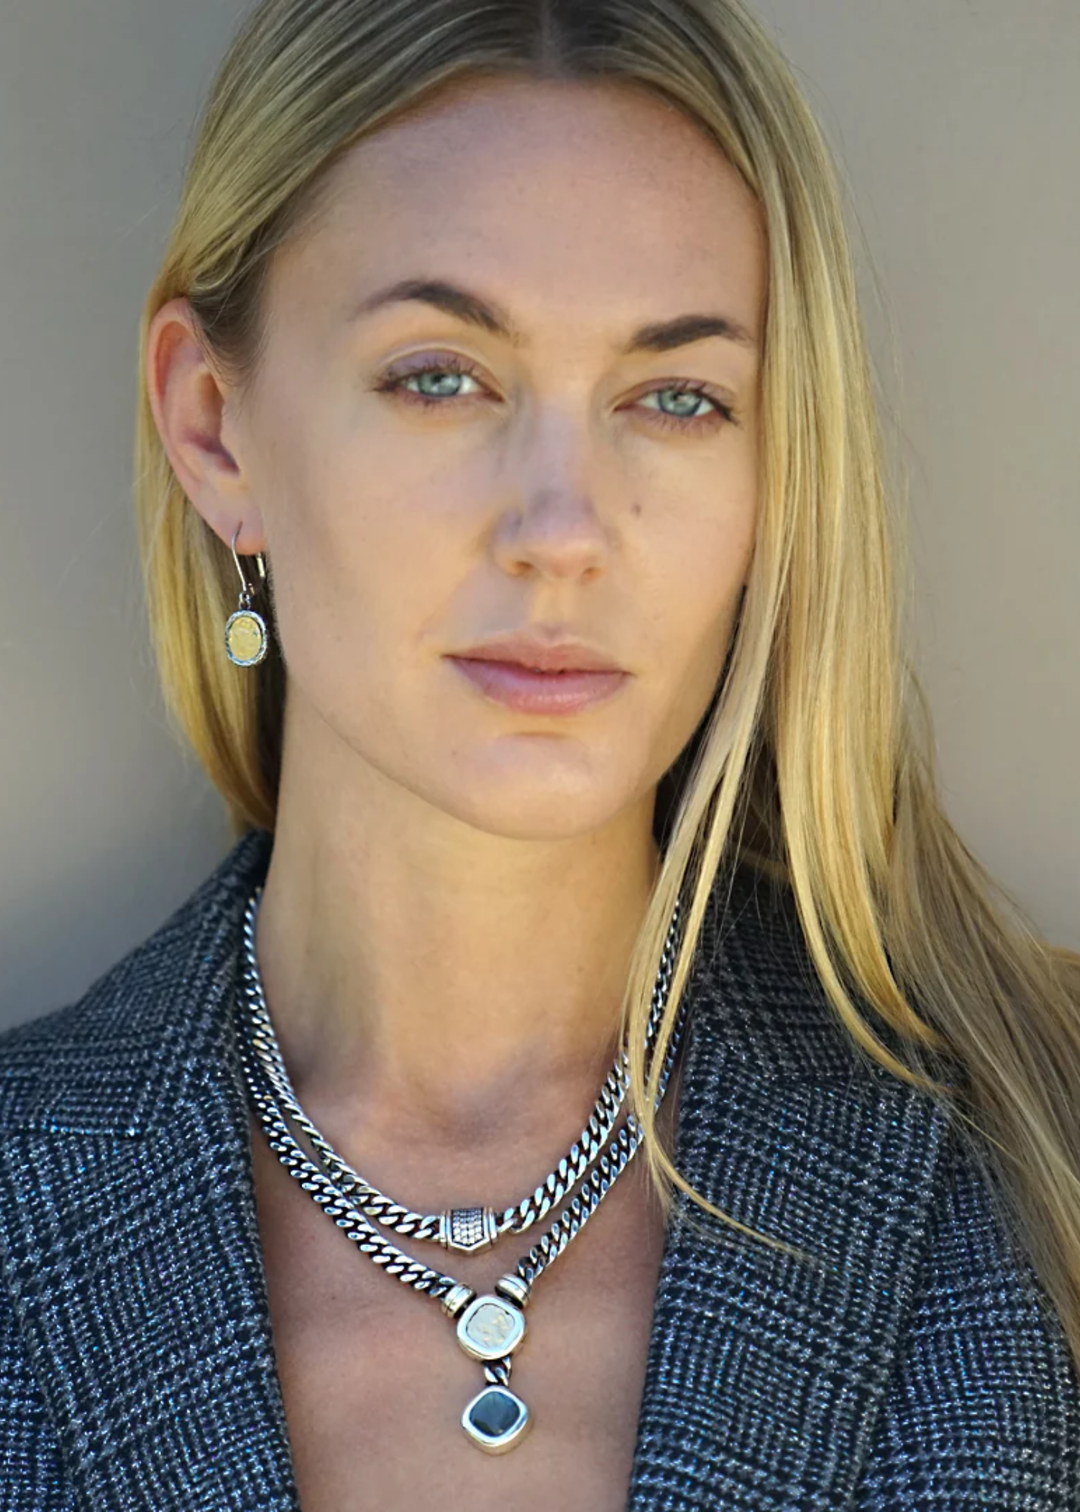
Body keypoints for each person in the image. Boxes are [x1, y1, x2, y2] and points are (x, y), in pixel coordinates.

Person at [1, 0, 1078, 1507]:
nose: (565, 530)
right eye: (442, 375)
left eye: (676, 398)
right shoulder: (24, 1202)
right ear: (215, 425)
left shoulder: (1046, 1159)